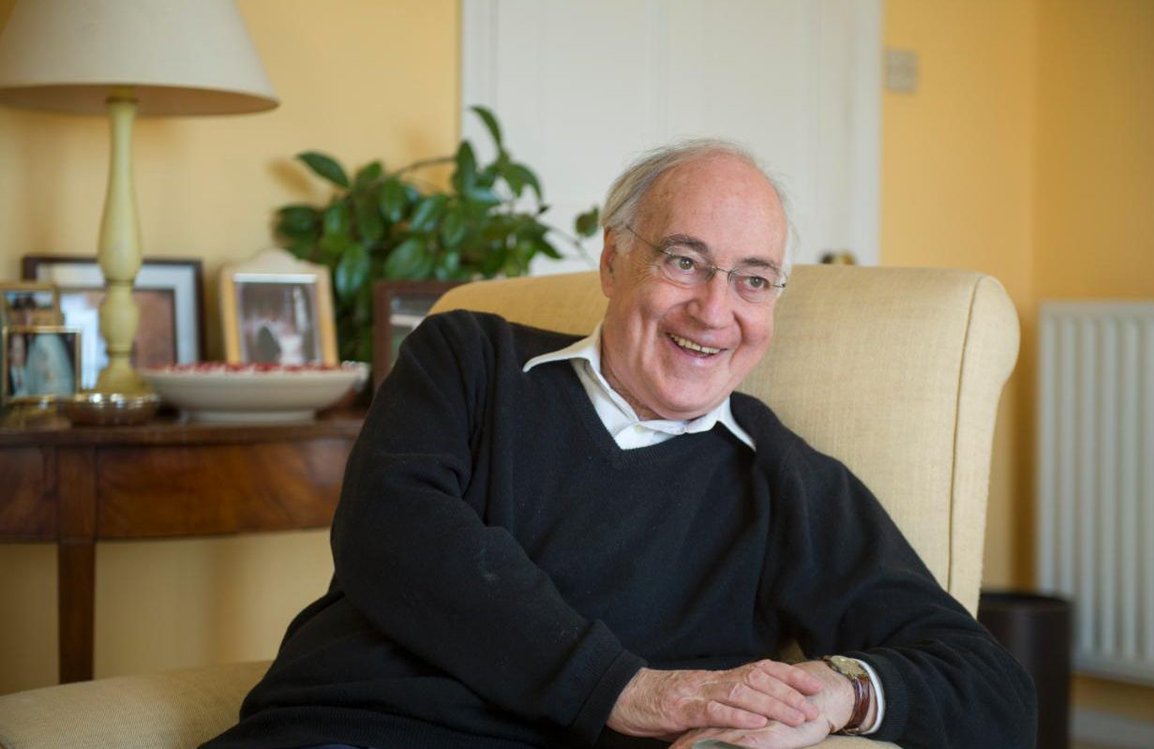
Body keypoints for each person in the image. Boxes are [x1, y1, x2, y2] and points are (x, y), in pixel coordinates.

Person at [201, 141, 1035, 749]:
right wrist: (628, 689)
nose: (714, 310)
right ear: (613, 263)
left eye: (752, 279)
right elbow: (392, 529)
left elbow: (992, 686)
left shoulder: (784, 480)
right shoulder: (470, 358)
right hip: (334, 728)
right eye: (685, 261)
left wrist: (838, 692)